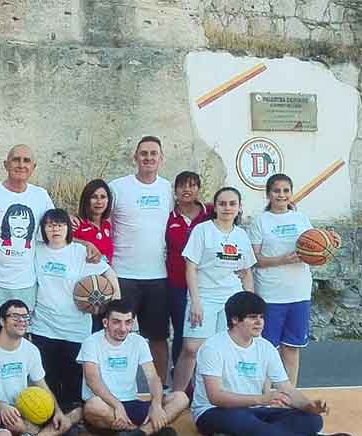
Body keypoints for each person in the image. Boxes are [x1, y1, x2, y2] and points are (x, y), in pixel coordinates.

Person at [192, 291, 356, 436]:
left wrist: (308, 406)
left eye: (261, 317)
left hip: (252, 410)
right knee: (243, 421)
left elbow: (286, 388)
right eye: (252, 317)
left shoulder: (265, 347)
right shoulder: (213, 348)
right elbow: (216, 397)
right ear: (235, 320)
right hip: (212, 412)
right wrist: (262, 399)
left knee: (313, 421)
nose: (259, 322)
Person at [31, 208, 119, 436]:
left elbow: (109, 274)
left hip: (75, 327)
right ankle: (49, 418)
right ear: (43, 230)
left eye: (60, 224)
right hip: (43, 325)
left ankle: (72, 421)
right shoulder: (37, 250)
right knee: (48, 377)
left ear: (68, 228)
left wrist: (116, 307)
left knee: (72, 379)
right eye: (50, 225)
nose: (55, 229)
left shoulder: (81, 252)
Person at [250, 174, 338, 386]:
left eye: (286, 190)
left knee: (291, 348)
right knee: (267, 349)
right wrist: (282, 260)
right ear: (268, 194)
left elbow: (317, 249)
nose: (281, 195)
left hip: (298, 293)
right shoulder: (260, 221)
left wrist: (332, 243)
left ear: (291, 193)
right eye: (276, 191)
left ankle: (289, 395)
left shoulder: (300, 218)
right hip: (271, 293)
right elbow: (254, 260)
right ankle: (263, 396)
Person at [174, 187, 255, 393]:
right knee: (192, 348)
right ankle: (177, 393)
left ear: (239, 208)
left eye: (232, 204)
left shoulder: (241, 236)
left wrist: (251, 305)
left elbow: (246, 272)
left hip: (231, 300)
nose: (227, 208)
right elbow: (190, 267)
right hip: (204, 297)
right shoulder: (202, 230)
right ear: (215, 206)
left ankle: (219, 393)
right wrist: (196, 302)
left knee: (223, 350)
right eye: (222, 203)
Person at [79, 300, 189, 436]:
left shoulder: (138, 341)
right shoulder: (91, 342)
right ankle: (149, 432)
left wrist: (156, 406)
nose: (123, 328)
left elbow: (153, 378)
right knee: (92, 406)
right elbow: (93, 381)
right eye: (117, 322)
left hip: (133, 403)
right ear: (105, 322)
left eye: (128, 322)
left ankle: (139, 434)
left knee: (181, 398)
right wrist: (117, 405)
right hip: (107, 406)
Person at [108, 136, 174, 387]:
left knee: (157, 337)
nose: (148, 158)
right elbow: (98, 215)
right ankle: (115, 389)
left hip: (157, 276)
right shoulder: (118, 187)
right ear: (135, 158)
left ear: (161, 158)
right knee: (117, 334)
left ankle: (161, 388)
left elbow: (194, 212)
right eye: (143, 153)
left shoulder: (168, 189)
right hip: (122, 274)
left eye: (153, 153)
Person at [0, 300, 79, 436]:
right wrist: (2, 406)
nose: (22, 321)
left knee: (75, 414)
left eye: (25, 317)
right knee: (14, 423)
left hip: (26, 407)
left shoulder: (31, 350)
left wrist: (57, 411)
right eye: (15, 317)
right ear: (2, 321)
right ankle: (42, 433)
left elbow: (41, 384)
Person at [0, 145, 54, 340]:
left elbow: (54, 229)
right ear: (6, 164)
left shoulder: (41, 196)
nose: (21, 164)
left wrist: (84, 243)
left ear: (34, 167)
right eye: (16, 159)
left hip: (24, 282)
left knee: (21, 338)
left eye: (26, 161)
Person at [166, 171, 213, 374]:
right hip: (176, 283)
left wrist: (286, 207)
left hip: (205, 283)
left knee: (206, 334)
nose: (187, 190)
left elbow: (233, 210)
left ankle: (207, 377)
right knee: (181, 332)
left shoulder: (210, 212)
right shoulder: (168, 216)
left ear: (199, 189)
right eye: (182, 185)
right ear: (175, 190)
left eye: (192, 185)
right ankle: (180, 382)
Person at [73, 178, 114, 263]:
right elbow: (65, 241)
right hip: (87, 275)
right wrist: (86, 244)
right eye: (94, 197)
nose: (99, 201)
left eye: (103, 197)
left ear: (108, 200)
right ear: (86, 200)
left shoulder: (107, 225)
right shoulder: (76, 224)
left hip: (107, 274)